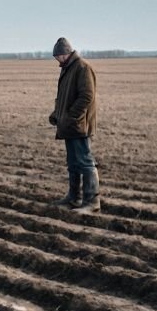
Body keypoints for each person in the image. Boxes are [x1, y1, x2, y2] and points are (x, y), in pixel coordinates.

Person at [48, 37, 100, 213]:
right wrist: (57, 114)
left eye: (58, 56)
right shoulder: (67, 69)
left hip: (79, 126)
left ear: (65, 53)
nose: (57, 60)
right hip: (69, 125)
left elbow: (86, 97)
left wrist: (71, 117)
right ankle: (74, 198)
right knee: (73, 163)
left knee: (85, 162)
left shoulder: (82, 68)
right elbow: (62, 97)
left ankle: (92, 202)